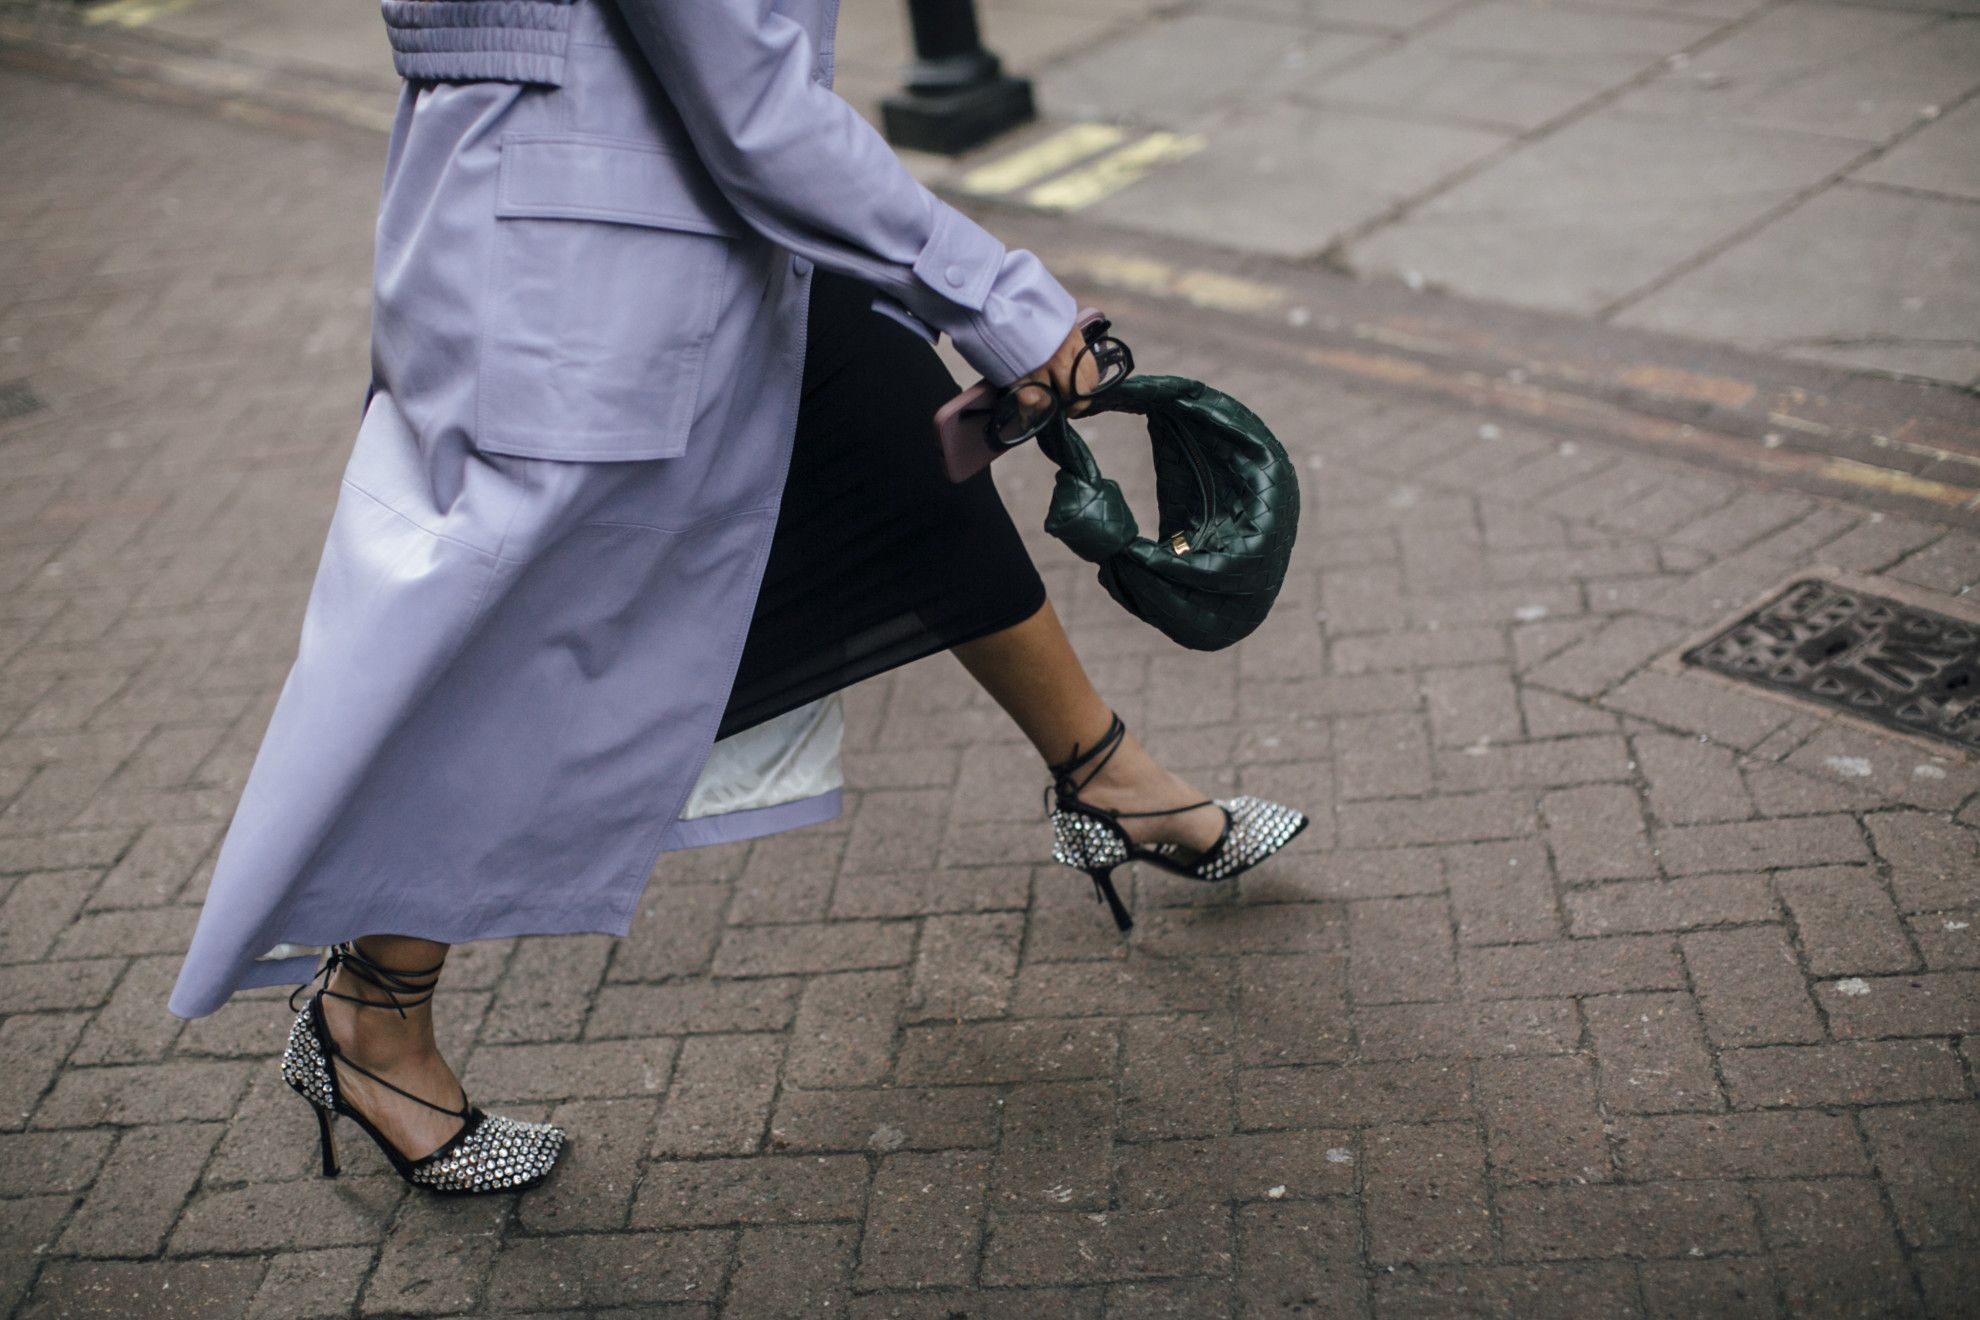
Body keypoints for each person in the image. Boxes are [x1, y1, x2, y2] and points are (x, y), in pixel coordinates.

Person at [168, 0, 1307, 1195]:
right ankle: (369, 1018)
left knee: (894, 440)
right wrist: (1009, 302)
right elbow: (753, 100)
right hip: (610, 236)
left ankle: (1105, 779)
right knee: (525, 652)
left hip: (650, 187)